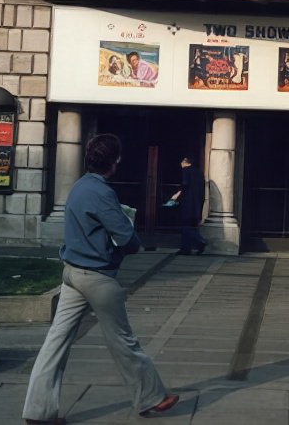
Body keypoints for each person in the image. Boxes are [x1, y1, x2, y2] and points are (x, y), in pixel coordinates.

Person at [22, 134, 178, 423]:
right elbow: (127, 239)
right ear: (115, 162)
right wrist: (130, 232)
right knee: (123, 341)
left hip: (71, 273)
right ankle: (152, 398)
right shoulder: (103, 193)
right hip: (97, 277)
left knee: (55, 343)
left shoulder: (79, 187)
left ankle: (37, 412)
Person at [169, 156, 207, 255]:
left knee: (186, 226)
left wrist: (176, 196)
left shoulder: (186, 171)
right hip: (197, 203)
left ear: (185, 161)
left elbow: (185, 185)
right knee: (191, 225)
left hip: (188, 202)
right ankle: (186, 248)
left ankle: (200, 241)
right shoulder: (199, 172)